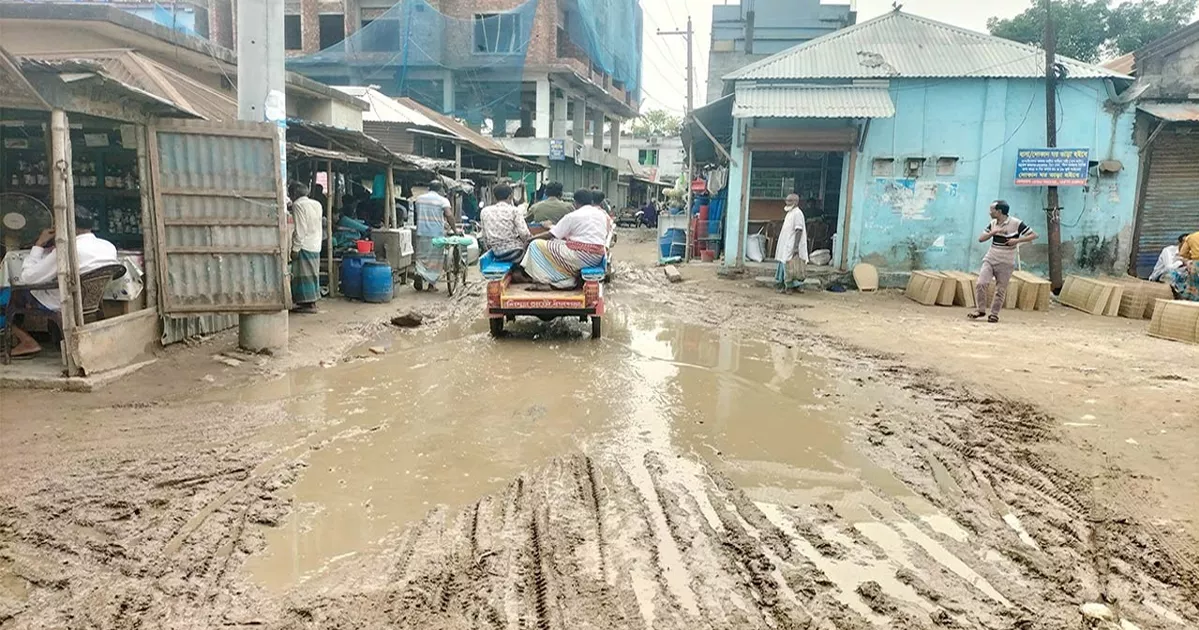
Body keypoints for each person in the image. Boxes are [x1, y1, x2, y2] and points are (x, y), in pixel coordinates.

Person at [6, 204, 118, 358]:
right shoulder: (108, 246)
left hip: (62, 301)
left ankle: (26, 341)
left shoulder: (67, 250)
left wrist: (39, 244)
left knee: (10, 295)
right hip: (90, 300)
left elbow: (28, 278)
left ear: (68, 225)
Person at [519, 189, 611, 289]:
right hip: (597, 256)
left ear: (575, 202)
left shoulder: (573, 216)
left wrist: (531, 239)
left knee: (535, 245)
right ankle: (564, 279)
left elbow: (552, 234)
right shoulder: (602, 215)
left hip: (581, 256)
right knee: (555, 243)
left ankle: (546, 281)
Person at [968, 200, 1038, 323]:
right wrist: (993, 233)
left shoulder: (1016, 223)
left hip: (1006, 261)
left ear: (999, 211)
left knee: (1000, 289)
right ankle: (981, 309)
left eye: (992, 210)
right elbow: (981, 238)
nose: (990, 212)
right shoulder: (993, 223)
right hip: (990, 257)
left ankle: (994, 314)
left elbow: (1033, 235)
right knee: (981, 283)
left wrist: (1017, 241)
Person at [412, 181, 455, 291]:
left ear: (428, 188)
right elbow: (449, 215)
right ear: (440, 189)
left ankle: (419, 273)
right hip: (436, 233)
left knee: (421, 256)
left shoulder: (419, 199)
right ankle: (431, 285)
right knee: (435, 260)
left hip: (421, 232)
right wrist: (455, 229)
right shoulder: (443, 200)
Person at [290, 182, 323, 313]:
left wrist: (295, 248)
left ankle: (307, 303)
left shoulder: (297, 205)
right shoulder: (317, 204)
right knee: (312, 274)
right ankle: (312, 300)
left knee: (303, 275)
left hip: (305, 244)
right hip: (316, 243)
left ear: (293, 194)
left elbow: (301, 229)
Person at [480, 182, 531, 262]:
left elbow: (484, 236)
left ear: (494, 196)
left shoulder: (485, 211)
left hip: (496, 252)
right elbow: (525, 234)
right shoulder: (514, 211)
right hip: (515, 252)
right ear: (511, 196)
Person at [774, 194, 809, 294]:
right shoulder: (790, 212)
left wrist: (796, 247)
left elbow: (798, 230)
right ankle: (784, 284)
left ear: (796, 202)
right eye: (787, 200)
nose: (787, 203)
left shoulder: (797, 213)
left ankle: (792, 286)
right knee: (784, 262)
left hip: (793, 244)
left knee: (792, 266)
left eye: (790, 201)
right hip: (786, 243)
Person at [1166, 230, 1199, 301]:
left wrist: (1191, 256)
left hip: (1196, 265)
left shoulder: (1191, 237)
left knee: (1194, 286)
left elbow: (1182, 253)